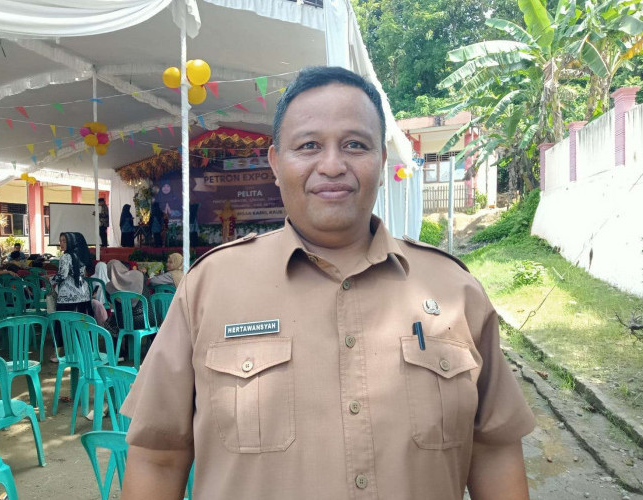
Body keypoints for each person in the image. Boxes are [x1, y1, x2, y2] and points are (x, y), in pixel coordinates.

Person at [119, 67, 534, 500]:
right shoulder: (209, 288)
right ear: (275, 163)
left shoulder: (454, 291)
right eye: (309, 146)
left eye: (355, 145)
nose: (333, 166)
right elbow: (158, 457)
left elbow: (494, 450)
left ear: (381, 161)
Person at [50, 232, 93, 363]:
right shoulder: (82, 255)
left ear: (71, 242)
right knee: (81, 322)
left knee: (61, 323)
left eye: (64, 241)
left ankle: (58, 352)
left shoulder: (66, 256)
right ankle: (84, 350)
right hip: (83, 294)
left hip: (67, 295)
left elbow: (62, 276)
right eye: (60, 240)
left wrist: (50, 279)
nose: (61, 243)